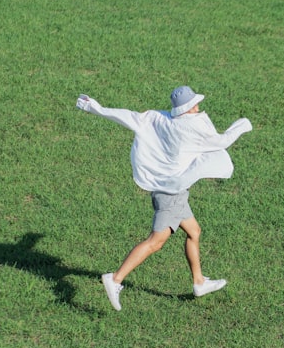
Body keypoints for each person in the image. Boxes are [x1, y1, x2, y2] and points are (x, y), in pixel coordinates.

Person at [75, 86, 252, 311]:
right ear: (187, 109)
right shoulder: (190, 127)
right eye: (195, 105)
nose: (199, 108)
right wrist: (242, 125)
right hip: (171, 195)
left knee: (194, 232)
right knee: (155, 242)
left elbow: (126, 116)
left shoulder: (159, 119)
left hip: (170, 190)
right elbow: (222, 142)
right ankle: (116, 278)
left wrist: (94, 107)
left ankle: (199, 282)